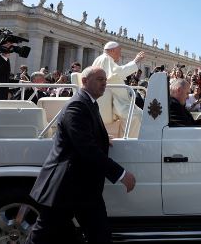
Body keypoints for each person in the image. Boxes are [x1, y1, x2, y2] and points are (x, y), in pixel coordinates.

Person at [26, 66, 136, 244]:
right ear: (84, 81)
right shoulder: (77, 105)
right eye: (99, 79)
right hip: (65, 187)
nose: (104, 83)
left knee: (96, 235)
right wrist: (121, 174)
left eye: (105, 79)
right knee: (43, 236)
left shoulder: (88, 102)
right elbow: (87, 149)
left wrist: (100, 137)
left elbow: (84, 136)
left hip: (81, 187)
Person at [92, 41, 145, 138]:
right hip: (111, 98)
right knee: (135, 116)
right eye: (119, 51)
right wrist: (135, 61)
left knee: (138, 113)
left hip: (112, 96)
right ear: (112, 50)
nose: (120, 54)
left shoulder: (105, 59)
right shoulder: (105, 59)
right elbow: (119, 72)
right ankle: (128, 143)